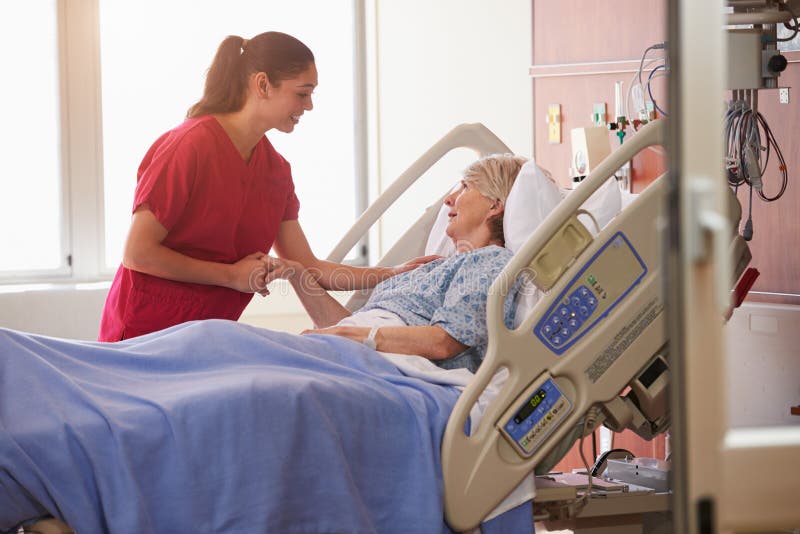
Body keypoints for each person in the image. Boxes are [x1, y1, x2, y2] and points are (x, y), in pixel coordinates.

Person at [99, 32, 431, 342]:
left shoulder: (275, 171)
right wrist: (231, 276)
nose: (309, 106)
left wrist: (391, 273)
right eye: (302, 93)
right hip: (143, 333)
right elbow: (137, 254)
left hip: (206, 339)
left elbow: (309, 267)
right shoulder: (188, 147)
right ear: (263, 84)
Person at [270, 153, 528, 372]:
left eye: (465, 187)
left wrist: (349, 336)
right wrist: (297, 275)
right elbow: (350, 328)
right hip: (363, 353)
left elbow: (444, 342)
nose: (448, 200)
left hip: (391, 370)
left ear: (495, 204)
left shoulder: (491, 261)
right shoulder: (433, 266)